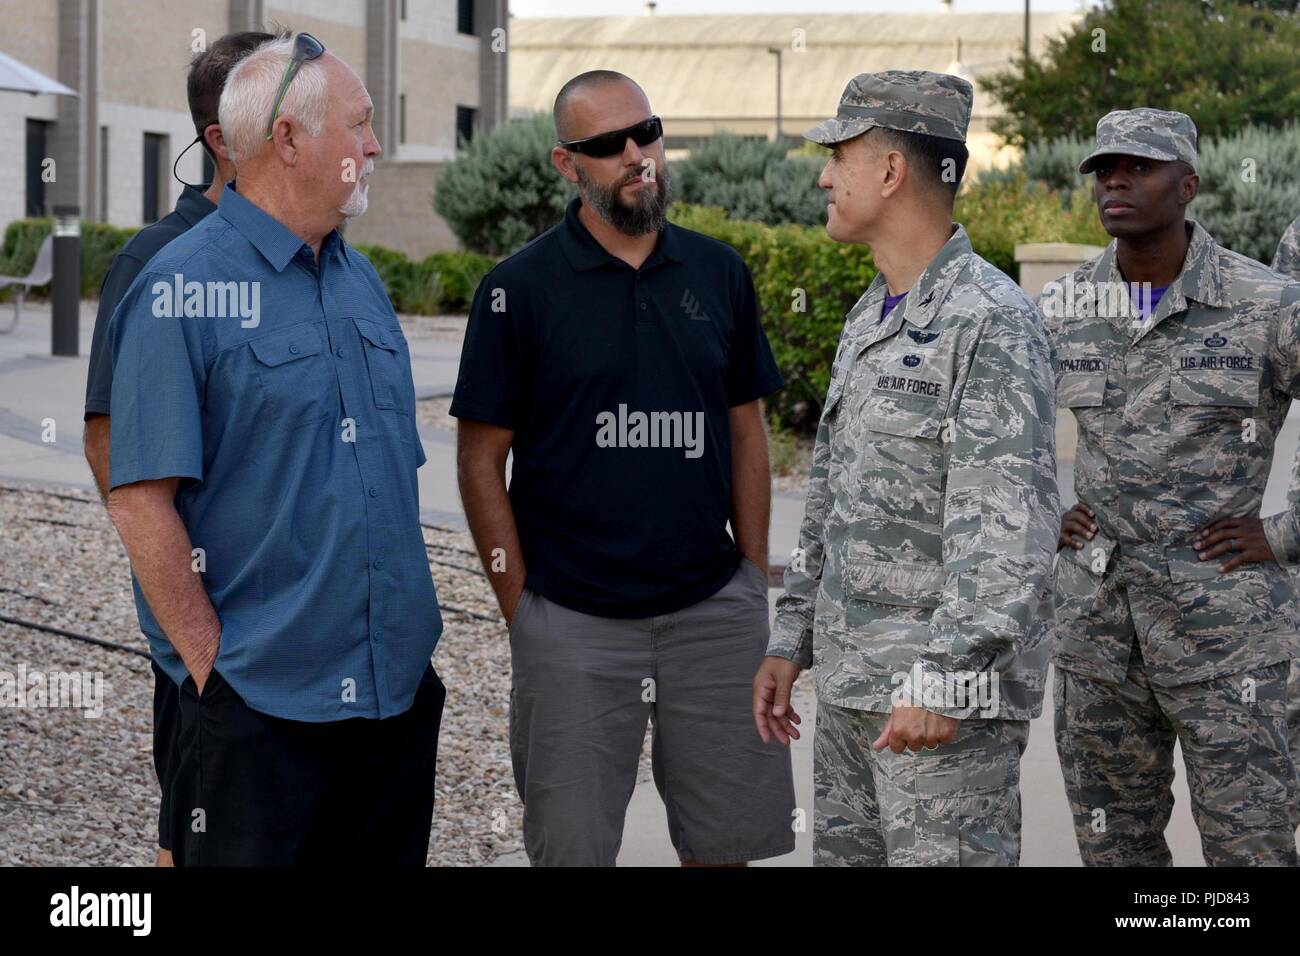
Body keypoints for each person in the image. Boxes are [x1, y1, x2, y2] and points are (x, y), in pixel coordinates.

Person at [103, 34, 444, 866]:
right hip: (262, 716)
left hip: (393, 701)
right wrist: (215, 671)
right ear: (288, 140)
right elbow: (140, 496)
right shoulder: (179, 286)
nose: (373, 147)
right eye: (360, 127)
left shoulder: (359, 279)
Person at [451, 69, 795, 867]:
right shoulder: (516, 291)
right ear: (566, 165)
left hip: (713, 616)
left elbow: (748, 432)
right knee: (571, 852)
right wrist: (521, 608)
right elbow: (478, 463)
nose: (638, 155)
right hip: (571, 623)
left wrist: (747, 576)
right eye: (609, 145)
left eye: (648, 132)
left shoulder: (720, 273)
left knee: (727, 848)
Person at [754, 70, 1059, 866]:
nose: (824, 174)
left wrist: (945, 680)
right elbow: (831, 496)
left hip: (940, 716)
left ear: (889, 171)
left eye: (838, 154)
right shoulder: (871, 313)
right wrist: (793, 640)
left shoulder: (990, 320)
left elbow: (1009, 532)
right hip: (857, 695)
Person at [1045, 108, 1299, 866]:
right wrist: (1038, 516)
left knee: (1250, 852)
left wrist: (1286, 533)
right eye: (1103, 169)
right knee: (1114, 850)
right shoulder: (1058, 311)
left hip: (1228, 641)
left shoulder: (1266, 306)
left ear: (1188, 184)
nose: (1115, 180)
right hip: (1098, 640)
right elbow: (1000, 431)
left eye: (1139, 166)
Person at [81, 28, 272, 868]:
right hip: (218, 645)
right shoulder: (156, 261)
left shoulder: (305, 253)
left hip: (304, 645)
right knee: (198, 836)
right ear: (222, 138)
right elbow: (109, 449)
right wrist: (198, 646)